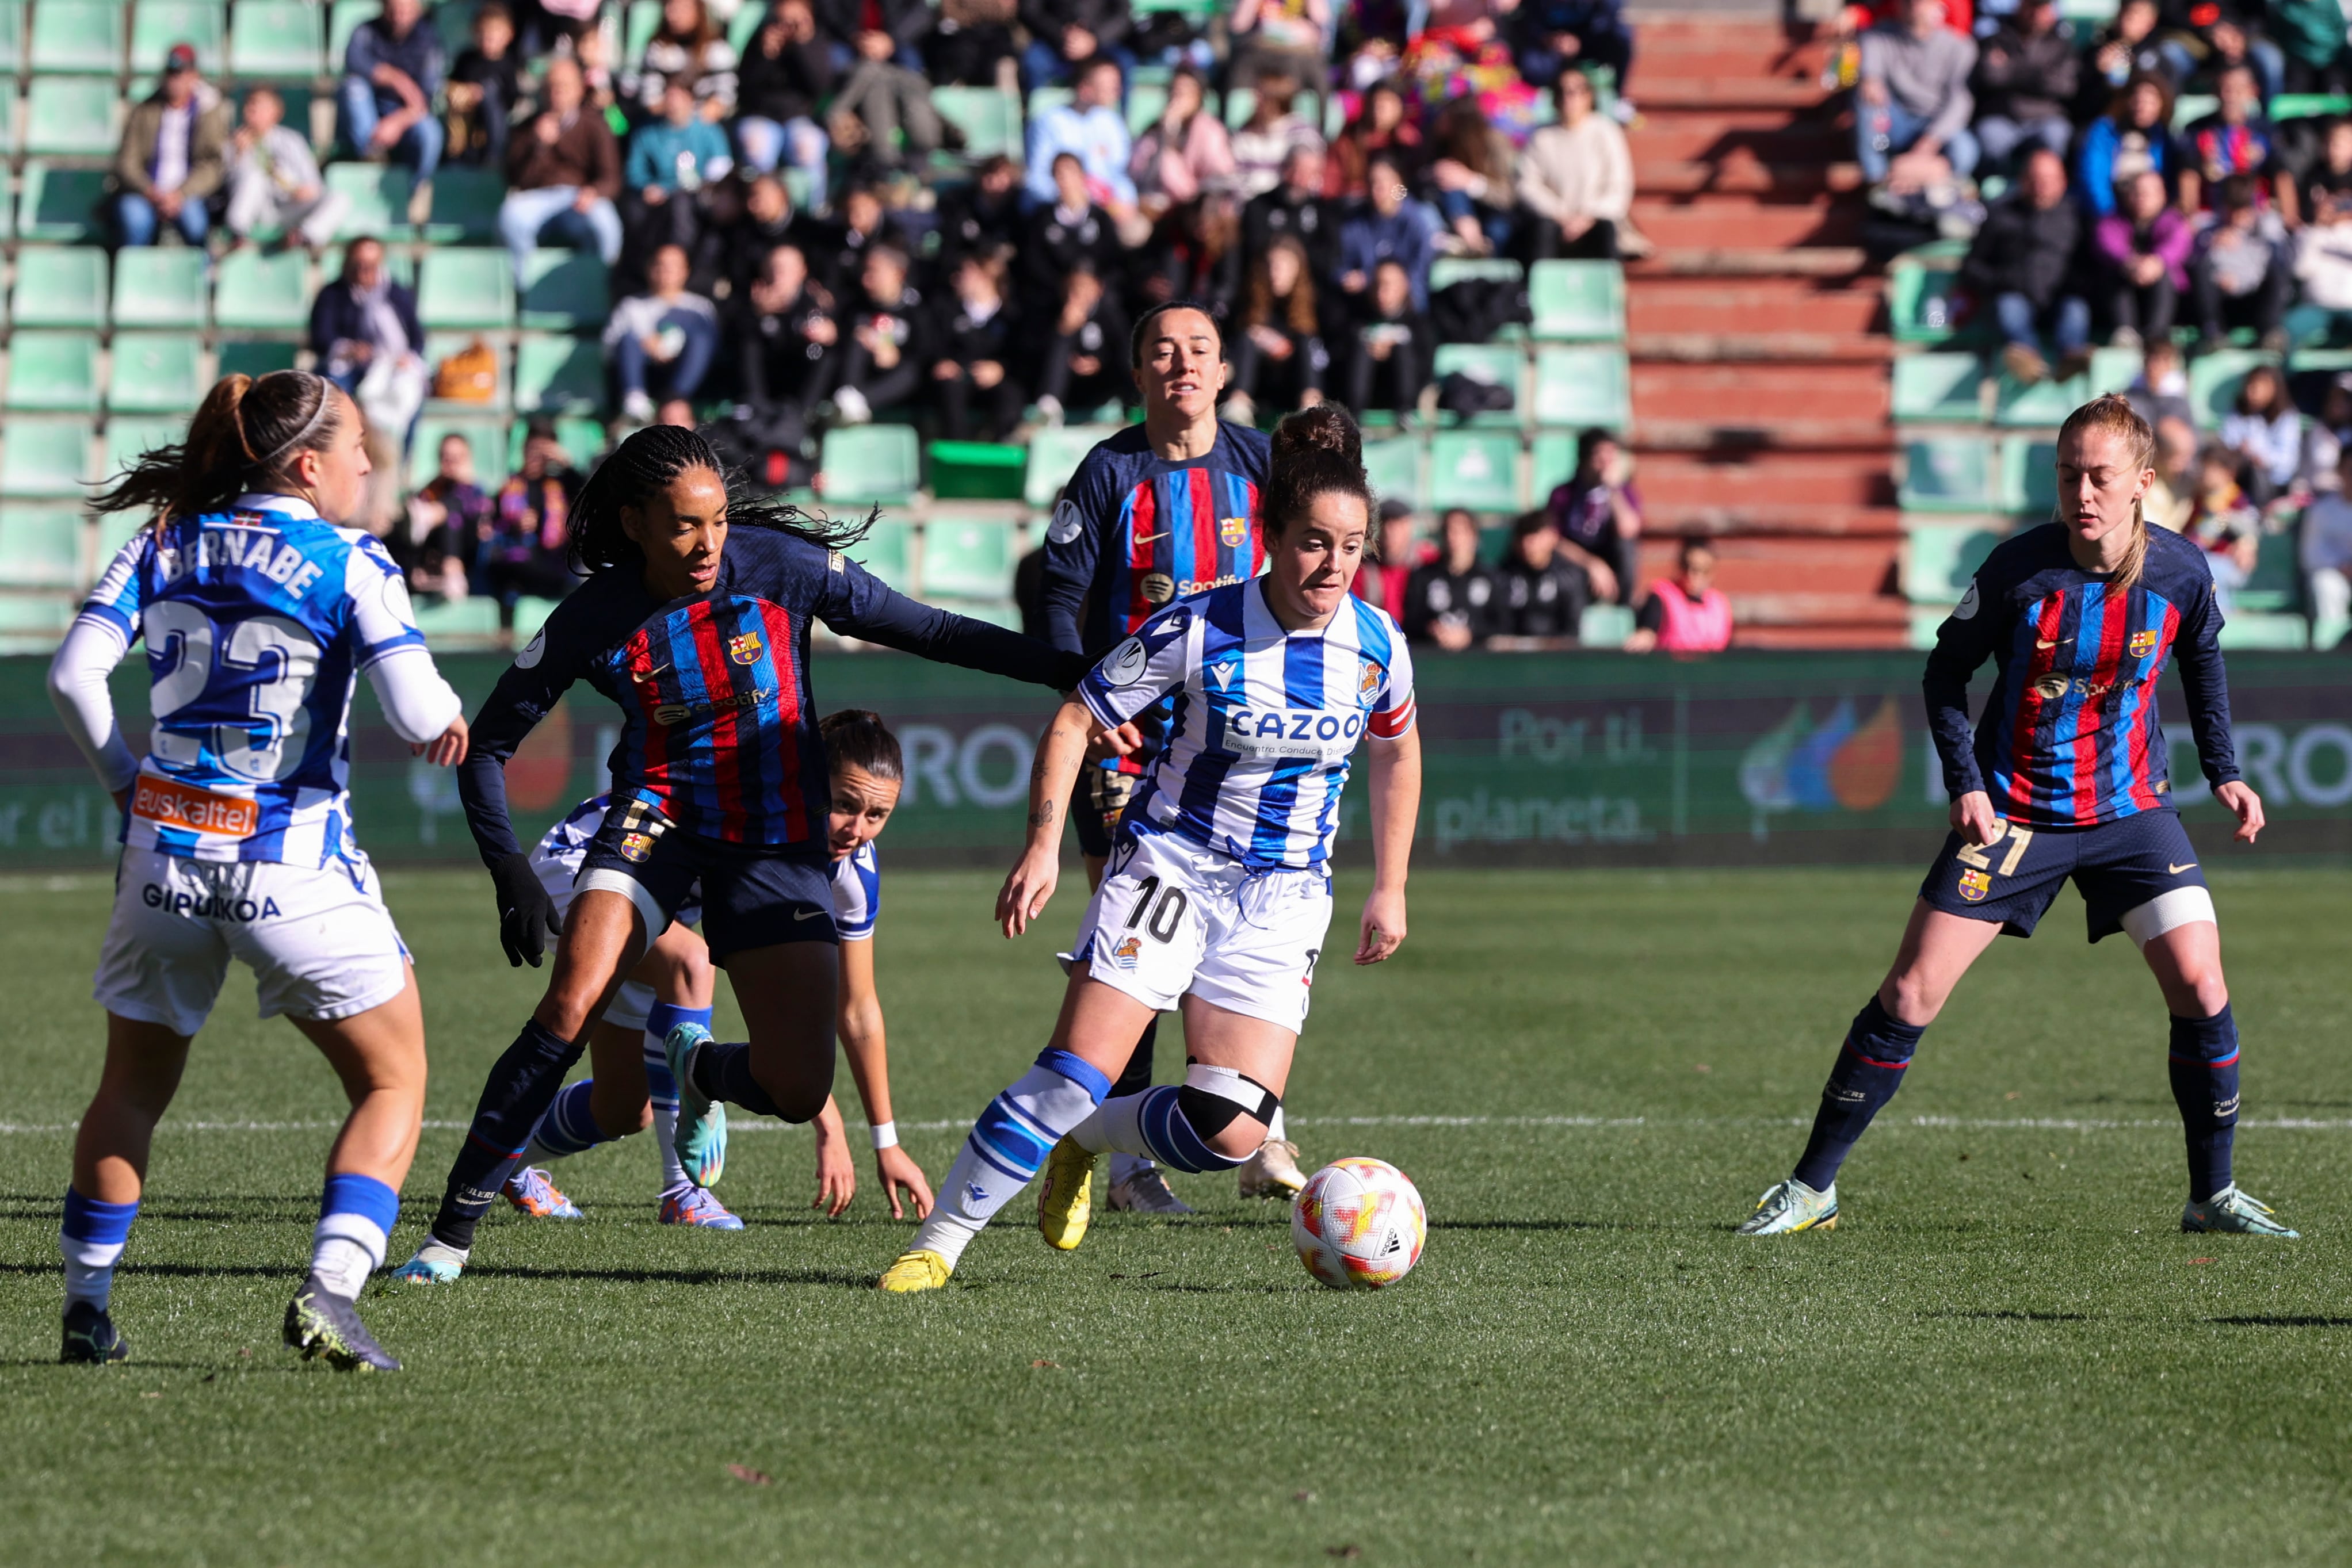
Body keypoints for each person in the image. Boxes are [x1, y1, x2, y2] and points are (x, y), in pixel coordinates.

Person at [391, 424, 1087, 1286]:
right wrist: (511, 876)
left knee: (797, 1088)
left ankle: (699, 1065)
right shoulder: (594, 616)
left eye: (718, 520)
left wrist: (1073, 670)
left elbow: (935, 630)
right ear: (635, 521)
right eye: (685, 524)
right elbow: (489, 746)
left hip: (772, 839)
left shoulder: (782, 568)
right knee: (569, 1004)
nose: (709, 543)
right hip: (658, 820)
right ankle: (447, 1238)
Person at [879, 405, 1422, 1293]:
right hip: (1175, 865)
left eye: (1353, 546)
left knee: (1234, 1128)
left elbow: (1398, 751)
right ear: (1272, 537)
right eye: (1315, 543)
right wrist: (1045, 845)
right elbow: (1073, 719)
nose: (1333, 565)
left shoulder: (1376, 646)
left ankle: (1089, 1139)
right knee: (1069, 1073)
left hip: (1286, 896)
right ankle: (938, 1243)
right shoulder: (1198, 626)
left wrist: (1391, 884)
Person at [1736, 394, 2289, 1241]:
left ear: (2144, 483)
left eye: (2100, 476)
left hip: (2133, 812)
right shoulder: (2016, 572)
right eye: (2069, 475)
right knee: (1911, 990)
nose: (2083, 493)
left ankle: (2211, 1197)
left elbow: (2202, 655)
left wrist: (2225, 771)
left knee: (2203, 983)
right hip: (2015, 815)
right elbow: (1943, 673)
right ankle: (1813, 1188)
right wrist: (1967, 783)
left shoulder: (2182, 571)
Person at [47, 370, 469, 1370]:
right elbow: (416, 717)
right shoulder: (350, 558)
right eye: (359, 446)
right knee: (394, 1078)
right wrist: (449, 717)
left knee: (130, 1091)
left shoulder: (163, 537)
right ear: (308, 464)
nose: (371, 463)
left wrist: (124, 784)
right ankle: (330, 1290)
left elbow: (72, 674)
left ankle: (84, 1305)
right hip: (291, 866)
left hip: (163, 857)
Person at [415, 712, 937, 1259]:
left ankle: (512, 1165)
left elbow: (856, 1010)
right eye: (844, 805)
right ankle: (682, 1193)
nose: (858, 829)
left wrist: (886, 1141)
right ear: (806, 781)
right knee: (691, 962)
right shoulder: (754, 815)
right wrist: (824, 1117)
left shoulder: (853, 874)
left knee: (624, 1108)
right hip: (585, 871)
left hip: (654, 921)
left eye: (878, 814)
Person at [1033, 300, 1298, 1210]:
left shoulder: (1266, 467)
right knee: (1131, 931)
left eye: (1200, 351)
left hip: (1238, 737)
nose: (1181, 365)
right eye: (1162, 351)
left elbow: (1318, 580)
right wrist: (1094, 702)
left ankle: (1258, 1123)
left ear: (1225, 370)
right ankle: (1128, 1161)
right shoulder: (1108, 472)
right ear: (1138, 372)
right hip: (1134, 735)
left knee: (1250, 919)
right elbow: (1058, 597)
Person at [1961, 146, 2089, 385]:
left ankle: (2071, 359)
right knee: (2008, 309)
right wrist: (2003, 281)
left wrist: (2075, 283)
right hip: (2016, 296)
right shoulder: (2001, 215)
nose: (2042, 187)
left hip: (2062, 297)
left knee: (2076, 310)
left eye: (2050, 180)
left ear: (2063, 182)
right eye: (2036, 180)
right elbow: (1972, 267)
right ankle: (2028, 361)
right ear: (2022, 181)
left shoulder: (2077, 217)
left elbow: (2092, 267)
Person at [500, 56, 625, 284]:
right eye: (551, 87)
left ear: (579, 90)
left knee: (606, 223)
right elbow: (514, 178)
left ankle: (600, 285)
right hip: (537, 198)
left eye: (564, 87)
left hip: (578, 198)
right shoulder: (526, 126)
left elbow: (611, 177)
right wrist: (536, 145)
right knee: (511, 216)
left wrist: (594, 192)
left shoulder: (596, 126)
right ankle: (524, 288)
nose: (556, 93)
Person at [309, 238, 428, 447]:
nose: (364, 272)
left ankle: (399, 458)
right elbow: (321, 338)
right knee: (332, 397)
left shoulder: (398, 294)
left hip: (389, 366)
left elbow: (417, 339)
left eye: (370, 266)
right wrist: (349, 349)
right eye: (358, 265)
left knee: (409, 398)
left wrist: (405, 357)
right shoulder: (332, 295)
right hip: (347, 366)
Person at [113, 45, 230, 248]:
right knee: (135, 221)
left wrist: (181, 194)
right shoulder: (144, 110)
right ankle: (132, 275)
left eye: (181, 74)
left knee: (196, 226)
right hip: (147, 193)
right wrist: (149, 190)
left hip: (188, 193)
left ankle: (202, 276)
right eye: (171, 74)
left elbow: (212, 164)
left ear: (194, 76)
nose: (175, 81)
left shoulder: (208, 113)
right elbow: (127, 162)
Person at [1857, 0, 1979, 188]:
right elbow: (1870, 75)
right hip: (1895, 123)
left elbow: (1960, 102)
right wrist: (1871, 81)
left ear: (1940, 6)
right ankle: (1877, 179)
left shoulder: (1960, 47)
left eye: (1920, 2)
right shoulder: (1877, 37)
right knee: (1866, 101)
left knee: (1965, 150)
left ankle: (1908, 176)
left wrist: (1931, 140)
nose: (1913, 6)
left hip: (1936, 122)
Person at [1515, 66, 1632, 261]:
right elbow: (1527, 184)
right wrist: (1560, 214)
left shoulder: (1606, 132)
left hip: (1595, 221)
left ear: (1589, 96)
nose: (1569, 98)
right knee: (1540, 232)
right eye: (1562, 91)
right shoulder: (1541, 136)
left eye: (1576, 91)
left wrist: (1587, 217)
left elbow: (1619, 185)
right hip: (1553, 222)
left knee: (1606, 230)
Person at [735, 243, 837, 458]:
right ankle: (755, 407)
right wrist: (758, 315)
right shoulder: (751, 301)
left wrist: (831, 334)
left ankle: (802, 418)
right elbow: (731, 336)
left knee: (825, 353)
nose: (778, 274)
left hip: (800, 385)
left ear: (802, 271)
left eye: (786, 268)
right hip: (767, 382)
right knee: (749, 342)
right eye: (773, 267)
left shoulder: (817, 304)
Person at [623, 81, 735, 268]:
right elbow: (634, 170)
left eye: (679, 99)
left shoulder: (709, 131)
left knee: (682, 205)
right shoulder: (646, 132)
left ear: (691, 100)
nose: (673, 105)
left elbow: (721, 171)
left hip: (697, 195)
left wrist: (699, 188)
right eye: (669, 98)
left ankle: (683, 264)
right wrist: (646, 186)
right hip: (656, 195)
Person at [606, 243, 721, 424]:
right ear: (649, 269)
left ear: (685, 271)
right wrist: (645, 344)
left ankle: (675, 399)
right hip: (646, 374)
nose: (665, 272)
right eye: (659, 265)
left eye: (673, 267)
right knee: (628, 340)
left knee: (701, 339)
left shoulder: (701, 307)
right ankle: (635, 400)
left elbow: (711, 349)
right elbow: (609, 348)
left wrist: (672, 345)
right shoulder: (631, 306)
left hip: (686, 377)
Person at [225, 85, 349, 254]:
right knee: (253, 177)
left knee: (340, 198)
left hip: (291, 206)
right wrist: (238, 156)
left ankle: (303, 238)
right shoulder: (232, 143)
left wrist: (304, 190)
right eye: (248, 105)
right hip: (260, 210)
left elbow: (314, 184)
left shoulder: (291, 141)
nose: (251, 110)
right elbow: (227, 187)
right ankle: (238, 235)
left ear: (276, 112)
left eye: (257, 105)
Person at [734, 0, 833, 211]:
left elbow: (820, 87)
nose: (787, 27)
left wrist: (803, 46)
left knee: (808, 147)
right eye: (782, 21)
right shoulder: (761, 39)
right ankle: (762, 209)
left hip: (800, 117)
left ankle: (811, 211)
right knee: (756, 146)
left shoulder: (816, 42)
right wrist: (765, 56)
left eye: (794, 21)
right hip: (761, 115)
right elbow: (745, 88)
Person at [341, 0, 445, 198]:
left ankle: (413, 192)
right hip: (371, 107)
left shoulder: (429, 40)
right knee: (354, 88)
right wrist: (395, 79)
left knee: (432, 134)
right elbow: (354, 62)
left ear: (418, 11)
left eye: (406, 11)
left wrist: (395, 123)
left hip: (408, 114)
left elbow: (425, 99)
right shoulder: (366, 31)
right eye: (394, 11)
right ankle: (372, 160)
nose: (399, 17)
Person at [480, 420, 584, 611]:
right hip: (516, 565)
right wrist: (513, 526)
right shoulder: (509, 486)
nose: (535, 457)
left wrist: (567, 464)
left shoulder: (563, 485)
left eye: (542, 452)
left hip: (554, 564)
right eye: (532, 449)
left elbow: (592, 497)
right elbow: (491, 529)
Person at [1224, 235, 1328, 425]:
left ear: (1298, 269)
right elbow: (1233, 348)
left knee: (1305, 340)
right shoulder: (1246, 301)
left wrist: (1284, 347)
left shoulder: (1316, 303)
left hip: (1293, 384)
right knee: (1247, 338)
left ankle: (1312, 408)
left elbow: (1322, 356)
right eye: (1271, 265)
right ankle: (1238, 405)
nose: (1276, 273)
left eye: (1284, 266)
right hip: (1258, 384)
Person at [930, 247, 1024, 443]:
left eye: (966, 272)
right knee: (949, 390)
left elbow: (1023, 355)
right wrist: (943, 363)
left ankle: (999, 453)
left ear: (985, 276)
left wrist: (1001, 369)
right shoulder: (946, 311)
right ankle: (958, 455)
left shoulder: (1011, 315)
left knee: (1011, 396)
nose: (958, 277)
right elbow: (933, 348)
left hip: (995, 384)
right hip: (959, 382)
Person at [1971, 0, 2078, 170]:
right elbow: (1990, 77)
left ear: (2052, 12)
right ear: (2020, 7)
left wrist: (2011, 70)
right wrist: (2041, 74)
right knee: (1990, 137)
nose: (2035, 15)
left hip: (2045, 117)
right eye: (2031, 7)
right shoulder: (1997, 40)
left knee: (2057, 135)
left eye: (2042, 9)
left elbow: (2064, 86)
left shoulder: (2062, 46)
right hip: (2003, 116)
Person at [1541, 426, 1642, 605]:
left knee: (1628, 550)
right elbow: (1554, 539)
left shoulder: (1623, 491)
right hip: (1577, 559)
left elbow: (1628, 529)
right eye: (1599, 456)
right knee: (1566, 573)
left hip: (1610, 558)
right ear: (1584, 457)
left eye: (1611, 456)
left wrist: (1614, 490)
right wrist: (1591, 564)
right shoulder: (1563, 494)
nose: (1606, 463)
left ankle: (1623, 610)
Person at [2190, 174, 2292, 351]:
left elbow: (2279, 260)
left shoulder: (2268, 227)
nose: (2236, 216)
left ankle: (2269, 333)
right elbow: (2190, 264)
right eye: (2230, 209)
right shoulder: (2206, 228)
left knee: (2278, 271)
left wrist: (2242, 279)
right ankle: (2214, 333)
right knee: (2200, 269)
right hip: (2221, 303)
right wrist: (2210, 245)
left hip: (2254, 300)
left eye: (2242, 209)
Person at [829, 244, 928, 424]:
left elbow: (925, 356)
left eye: (874, 273)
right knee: (856, 342)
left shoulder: (917, 312)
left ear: (898, 275)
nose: (866, 280)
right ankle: (849, 402)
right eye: (865, 272)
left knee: (912, 371)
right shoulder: (854, 307)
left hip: (895, 388)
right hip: (856, 379)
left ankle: (852, 403)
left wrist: (895, 355)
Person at [1025, 56, 1137, 213]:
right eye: (1110, 86)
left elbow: (1118, 174)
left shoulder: (1112, 122)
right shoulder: (1050, 122)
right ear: (1085, 89)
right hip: (1057, 210)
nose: (1118, 91)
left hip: (1106, 212)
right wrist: (1074, 199)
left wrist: (1126, 202)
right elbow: (1037, 179)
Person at [2095, 167, 2191, 348]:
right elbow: (2105, 243)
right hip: (2127, 287)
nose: (2142, 198)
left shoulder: (2175, 220)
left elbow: (2179, 244)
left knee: (2166, 275)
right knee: (2113, 274)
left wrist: (2157, 262)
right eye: (2137, 193)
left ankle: (2157, 334)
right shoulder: (2114, 219)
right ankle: (2125, 332)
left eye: (2148, 193)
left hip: (2167, 293)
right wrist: (2130, 262)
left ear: (2162, 195)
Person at [1337, 151, 1438, 313]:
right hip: (1364, 303)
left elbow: (1421, 274)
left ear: (1398, 184)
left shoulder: (1419, 221)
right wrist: (1350, 278)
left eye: (1383, 183)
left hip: (1407, 306)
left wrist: (1391, 284)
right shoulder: (1354, 222)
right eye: (1372, 183)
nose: (1377, 190)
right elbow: (1340, 265)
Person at [1129, 67, 1236, 220]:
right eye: (1174, 91)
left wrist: (1169, 140)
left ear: (1198, 96)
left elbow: (1218, 174)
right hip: (1149, 204)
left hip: (1190, 210)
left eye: (1185, 93)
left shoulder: (1209, 130)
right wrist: (1164, 132)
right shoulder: (1154, 129)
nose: (1177, 98)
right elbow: (1136, 171)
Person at [1035, 265, 1132, 424]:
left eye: (1084, 287)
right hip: (1067, 387)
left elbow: (1123, 350)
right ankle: (1049, 405)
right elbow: (1032, 352)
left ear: (1098, 288)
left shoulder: (1111, 314)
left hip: (1102, 384)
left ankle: (1130, 407)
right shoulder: (1050, 311)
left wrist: (1099, 362)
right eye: (1072, 287)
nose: (1077, 294)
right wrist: (1063, 331)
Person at [2076, 71, 2179, 220]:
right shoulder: (2104, 131)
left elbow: (2168, 182)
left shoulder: (2164, 138)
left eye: (2150, 102)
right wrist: (2109, 218)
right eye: (2137, 100)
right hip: (2111, 213)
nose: (2141, 107)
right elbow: (2093, 176)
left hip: (2152, 216)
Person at [1345, 257, 1434, 418]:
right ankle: (1355, 416)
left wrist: (1394, 349)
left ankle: (1405, 414)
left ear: (1405, 286)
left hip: (1404, 392)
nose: (1381, 293)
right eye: (1377, 285)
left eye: (1388, 286)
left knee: (1403, 348)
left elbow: (1426, 368)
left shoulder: (1419, 325)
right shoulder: (1355, 320)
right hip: (1367, 394)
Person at [1427, 97, 1517, 258]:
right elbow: (1403, 190)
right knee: (1429, 215)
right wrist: (1431, 176)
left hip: (1494, 211)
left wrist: (1471, 182)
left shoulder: (1496, 143)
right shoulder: (1432, 144)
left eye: (1445, 118)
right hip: (1446, 213)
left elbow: (1509, 198)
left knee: (1499, 230)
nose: (1439, 123)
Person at [1403, 506, 1502, 649]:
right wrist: (1432, 629)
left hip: (1480, 662)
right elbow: (1410, 622)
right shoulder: (1423, 576)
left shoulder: (1491, 577)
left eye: (1460, 532)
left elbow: (1503, 624)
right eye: (1448, 531)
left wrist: (1470, 635)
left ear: (1474, 536)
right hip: (1434, 660)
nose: (1452, 538)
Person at [410, 431, 492, 599]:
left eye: (457, 458)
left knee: (453, 508)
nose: (451, 464)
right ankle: (450, 572)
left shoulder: (478, 493)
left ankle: (453, 570)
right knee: (449, 509)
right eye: (446, 458)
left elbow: (485, 528)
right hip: (434, 561)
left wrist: (465, 486)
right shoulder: (429, 492)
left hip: (470, 561)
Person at [1509, 0, 1635, 108]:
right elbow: (1528, 18)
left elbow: (1609, 15)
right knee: (1531, 63)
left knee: (1621, 35)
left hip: (1590, 41)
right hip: (1552, 44)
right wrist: (1548, 38)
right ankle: (1537, 99)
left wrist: (1581, 41)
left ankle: (1618, 99)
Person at [630, 0, 739, 118]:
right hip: (664, 124)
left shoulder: (718, 51)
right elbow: (651, 101)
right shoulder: (657, 51)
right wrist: (675, 108)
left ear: (699, 11)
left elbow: (724, 99)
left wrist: (693, 117)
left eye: (682, 8)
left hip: (705, 125)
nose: (673, 15)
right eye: (670, 7)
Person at [445, 3, 520, 169]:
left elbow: (512, 98)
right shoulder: (467, 60)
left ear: (509, 35)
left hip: (495, 124)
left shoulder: (508, 64)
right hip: (466, 120)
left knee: (490, 91)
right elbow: (451, 85)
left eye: (494, 36)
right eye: (484, 35)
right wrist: (467, 92)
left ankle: (493, 157)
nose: (488, 41)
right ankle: (456, 155)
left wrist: (484, 94)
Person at [1228, 72, 1324, 201]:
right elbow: (1235, 177)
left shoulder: (1299, 129)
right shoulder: (1243, 135)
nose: (1254, 100)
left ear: (1275, 100)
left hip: (1285, 205)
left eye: (1260, 94)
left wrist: (1304, 156)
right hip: (1249, 207)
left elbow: (1308, 147)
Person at [1625, 539, 1731, 653]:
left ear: (1711, 573)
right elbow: (1648, 629)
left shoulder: (1719, 604)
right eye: (1687, 566)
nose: (1691, 575)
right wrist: (1645, 636)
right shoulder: (1663, 594)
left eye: (1700, 570)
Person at [1326, 79, 1424, 202]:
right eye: (1375, 103)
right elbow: (1331, 185)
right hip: (1355, 207)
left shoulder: (1408, 140)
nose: (1379, 109)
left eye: (1387, 103)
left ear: (1399, 107)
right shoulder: (1349, 138)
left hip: (1398, 205)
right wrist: (1367, 192)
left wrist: (1390, 195)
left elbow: (1413, 187)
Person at [1495, 510, 1590, 638]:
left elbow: (1573, 628)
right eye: (1524, 538)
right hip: (1513, 654)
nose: (1529, 546)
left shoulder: (1569, 576)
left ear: (1553, 537)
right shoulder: (1504, 575)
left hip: (1556, 655)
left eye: (1535, 538)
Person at [2218, 362, 2301, 506]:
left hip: (2272, 485)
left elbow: (2287, 463)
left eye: (2260, 387)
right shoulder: (2238, 411)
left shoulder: (2287, 418)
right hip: (2237, 475)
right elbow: (2225, 441)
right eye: (2251, 385)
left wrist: (2260, 456)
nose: (2253, 391)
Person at [1018, 0, 1133, 90]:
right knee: (1034, 62)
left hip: (1102, 42)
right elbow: (1030, 10)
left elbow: (1123, 15)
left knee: (1125, 61)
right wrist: (1062, 34)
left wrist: (1095, 40)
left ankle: (1123, 118)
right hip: (1054, 42)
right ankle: (1038, 117)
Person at [1228, 0, 1330, 96]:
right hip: (1260, 52)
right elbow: (1238, 25)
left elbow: (1321, 21)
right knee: (1240, 69)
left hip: (1297, 55)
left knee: (1316, 72)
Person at [2301, 445, 2352, 634]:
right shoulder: (2321, 510)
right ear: (2340, 471)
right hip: (2335, 574)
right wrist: (2342, 566)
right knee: (2325, 585)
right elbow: (2312, 554)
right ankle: (2332, 652)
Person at [1353, 498, 1425, 624]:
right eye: (1385, 524)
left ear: (1408, 528)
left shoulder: (1425, 563)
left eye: (1397, 525)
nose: (1390, 532)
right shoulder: (1364, 569)